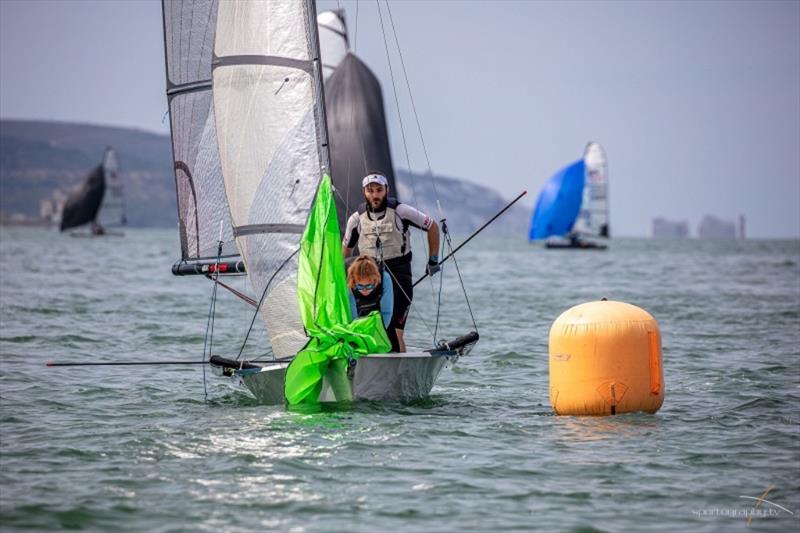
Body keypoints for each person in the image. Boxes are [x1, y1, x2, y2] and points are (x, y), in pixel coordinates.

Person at [342, 172, 440, 352]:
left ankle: (398, 372)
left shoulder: (401, 211)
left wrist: (433, 259)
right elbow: (345, 252)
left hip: (399, 274)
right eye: (370, 191)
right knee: (367, 326)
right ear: (365, 192)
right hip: (370, 279)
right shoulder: (356, 219)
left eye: (379, 190)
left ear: (386, 190)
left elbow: (432, 226)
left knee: (395, 330)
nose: (375, 195)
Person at [346, 256, 394, 343]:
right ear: (354, 282)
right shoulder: (349, 283)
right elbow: (352, 317)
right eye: (360, 286)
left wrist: (377, 335)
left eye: (369, 286)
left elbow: (386, 312)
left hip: (377, 306)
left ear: (375, 282)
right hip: (356, 306)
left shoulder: (385, 279)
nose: (365, 290)